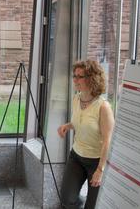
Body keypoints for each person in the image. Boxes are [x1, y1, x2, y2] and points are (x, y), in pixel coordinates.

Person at [57, 60, 115, 209]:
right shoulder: (77, 98)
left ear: (91, 78)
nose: (75, 80)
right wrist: (68, 126)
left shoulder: (103, 107)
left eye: (80, 76)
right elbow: (80, 122)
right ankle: (78, 202)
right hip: (76, 156)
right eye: (74, 76)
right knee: (66, 199)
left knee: (92, 205)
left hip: (96, 161)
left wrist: (100, 170)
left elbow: (108, 141)